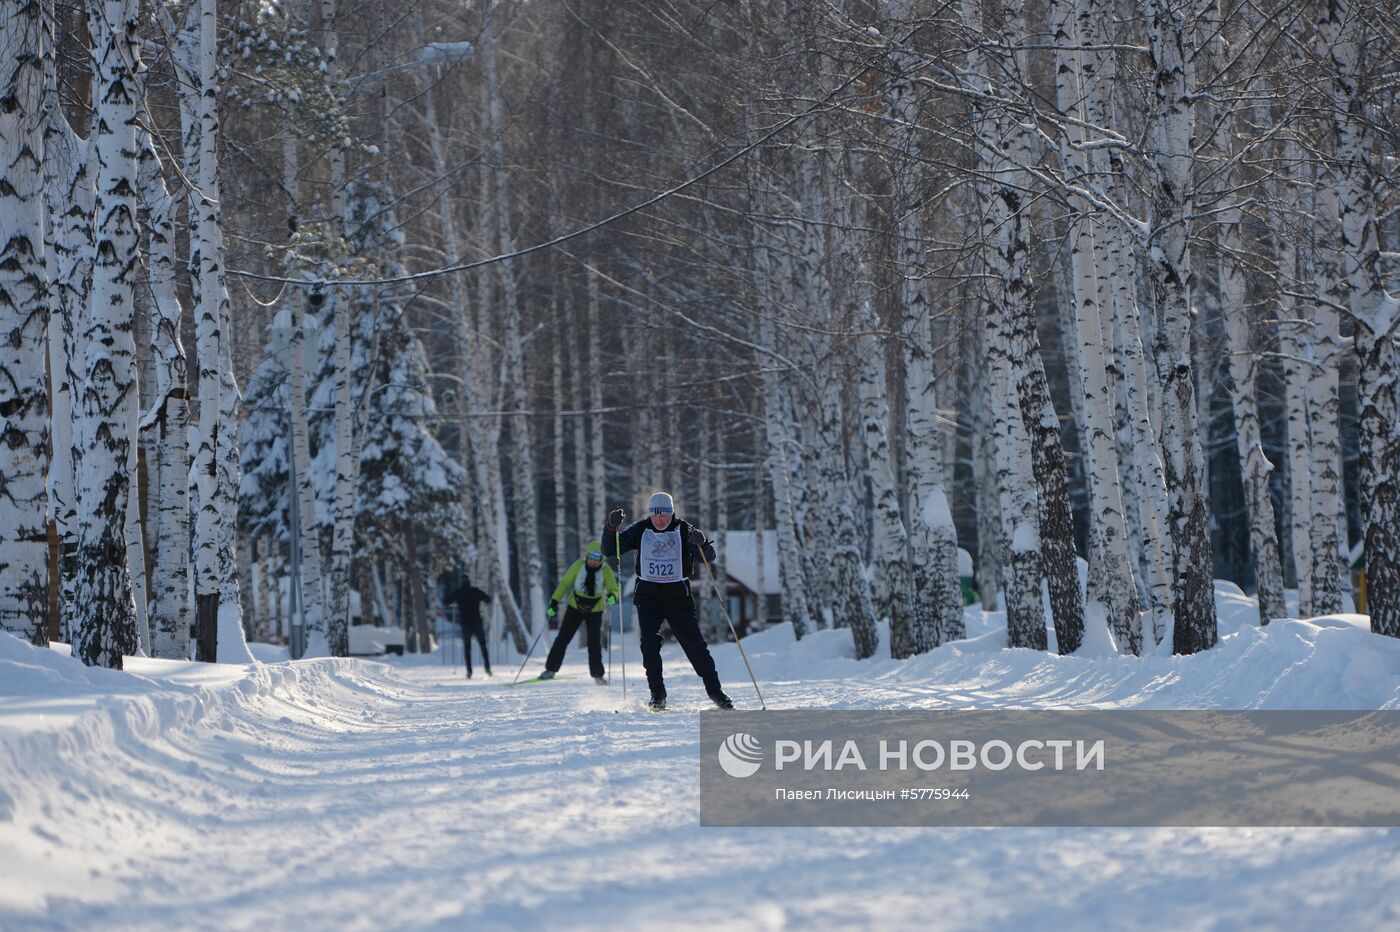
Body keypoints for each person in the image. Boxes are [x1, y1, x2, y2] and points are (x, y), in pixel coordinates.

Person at [601, 491, 733, 711]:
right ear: (650, 514)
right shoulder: (641, 529)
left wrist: (702, 544)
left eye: (665, 514)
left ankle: (716, 693)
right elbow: (610, 549)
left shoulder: (684, 529)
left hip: (677, 596)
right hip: (648, 596)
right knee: (649, 645)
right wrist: (611, 527)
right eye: (655, 514)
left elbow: (707, 558)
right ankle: (658, 695)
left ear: (672, 513)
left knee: (695, 647)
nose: (660, 519)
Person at [539, 540, 620, 685]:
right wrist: (554, 602)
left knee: (594, 642)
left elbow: (613, 587)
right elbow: (564, 584)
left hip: (595, 608)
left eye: (597, 559)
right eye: (591, 558)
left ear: (601, 559)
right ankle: (550, 670)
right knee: (563, 638)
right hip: (575, 606)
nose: (593, 562)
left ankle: (598, 676)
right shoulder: (578, 565)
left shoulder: (605, 570)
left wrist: (613, 596)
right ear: (587, 556)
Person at [446, 571, 492, 678]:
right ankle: (488, 668)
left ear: (461, 582)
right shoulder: (475, 591)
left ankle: (469, 671)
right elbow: (488, 599)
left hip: (465, 623)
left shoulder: (459, 592)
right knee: (483, 645)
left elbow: (446, 601)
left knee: (467, 648)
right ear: (469, 582)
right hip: (477, 622)